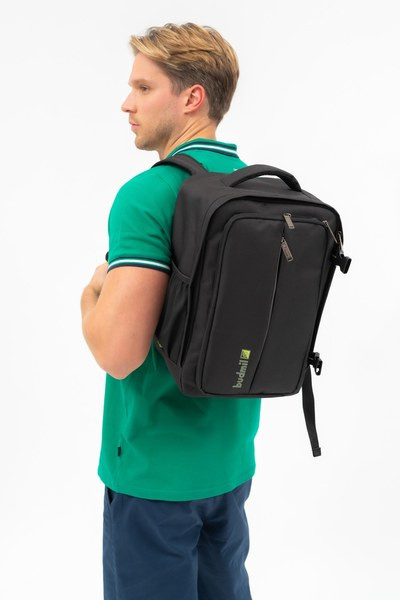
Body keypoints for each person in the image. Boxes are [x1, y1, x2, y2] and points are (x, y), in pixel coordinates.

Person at [80, 22, 261, 600]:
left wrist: (91, 296)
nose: (126, 103)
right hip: (229, 466)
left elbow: (119, 355)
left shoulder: (149, 195)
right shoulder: (255, 191)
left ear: (192, 98)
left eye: (143, 87)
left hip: (154, 477)